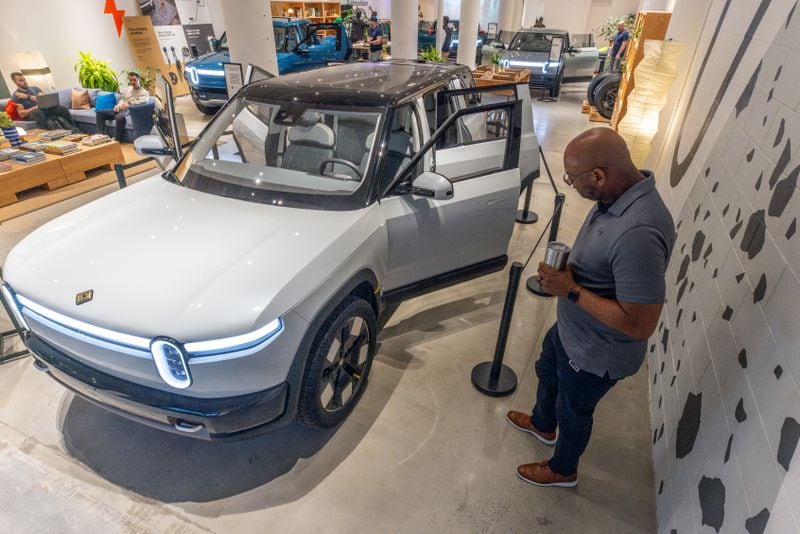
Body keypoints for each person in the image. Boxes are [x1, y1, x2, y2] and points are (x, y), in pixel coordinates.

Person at [507, 128, 675, 488]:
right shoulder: (615, 198)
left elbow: (639, 324)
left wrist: (570, 290)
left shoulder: (639, 233)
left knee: (574, 411)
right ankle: (541, 423)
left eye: (573, 179)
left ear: (598, 176)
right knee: (546, 369)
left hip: (594, 353)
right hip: (573, 331)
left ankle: (563, 470)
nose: (571, 185)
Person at [9, 72, 79, 132]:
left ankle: (75, 129)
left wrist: (28, 97)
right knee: (37, 111)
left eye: (24, 79)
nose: (24, 82)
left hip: (45, 110)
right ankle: (49, 133)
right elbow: (22, 114)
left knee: (62, 109)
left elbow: (43, 99)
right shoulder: (16, 96)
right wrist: (35, 107)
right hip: (33, 114)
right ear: (15, 82)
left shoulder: (35, 89)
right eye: (21, 80)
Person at [95, 72, 150, 142]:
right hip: (120, 110)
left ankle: (117, 139)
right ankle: (100, 137)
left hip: (129, 111)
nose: (132, 82)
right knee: (100, 113)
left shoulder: (144, 92)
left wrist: (129, 103)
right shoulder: (128, 89)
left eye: (134, 80)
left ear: (139, 80)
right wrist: (118, 105)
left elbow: (144, 101)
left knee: (118, 117)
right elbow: (122, 99)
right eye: (130, 80)